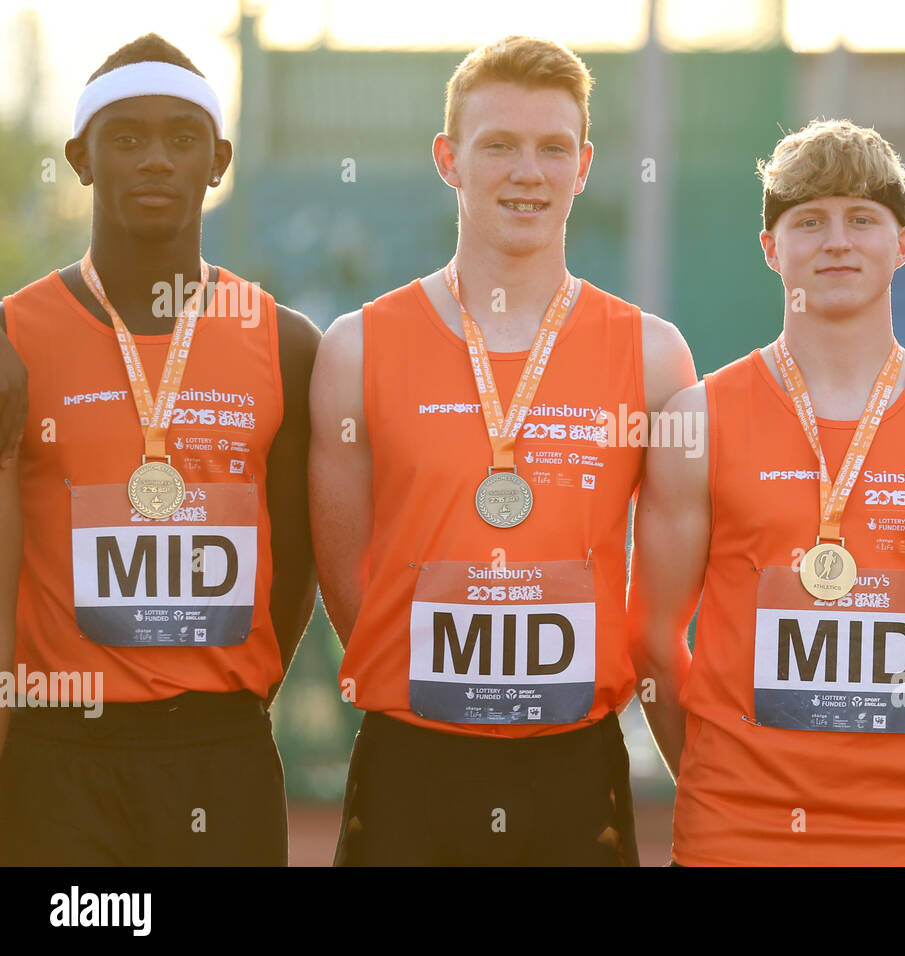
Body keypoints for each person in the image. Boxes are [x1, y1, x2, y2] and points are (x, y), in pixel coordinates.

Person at [309, 35, 696, 866]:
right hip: (412, 763)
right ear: (449, 158)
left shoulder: (655, 357)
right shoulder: (356, 350)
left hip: (574, 768)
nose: (529, 172)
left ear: (584, 164)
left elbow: (665, 594)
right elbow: (348, 582)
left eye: (553, 148)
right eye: (499, 146)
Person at [627, 119, 905, 865]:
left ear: (901, 244)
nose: (837, 241)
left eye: (862, 219)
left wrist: (899, 769)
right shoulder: (698, 421)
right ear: (772, 248)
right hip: (737, 834)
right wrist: (720, 782)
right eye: (809, 221)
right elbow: (651, 641)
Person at [0, 34, 320, 865]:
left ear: (217, 161)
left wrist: (218, 700)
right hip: (58, 760)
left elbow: (295, 566)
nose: (155, 160)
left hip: (221, 757)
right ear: (80, 158)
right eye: (127, 137)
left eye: (182, 140)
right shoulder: (13, 338)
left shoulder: (284, 345)